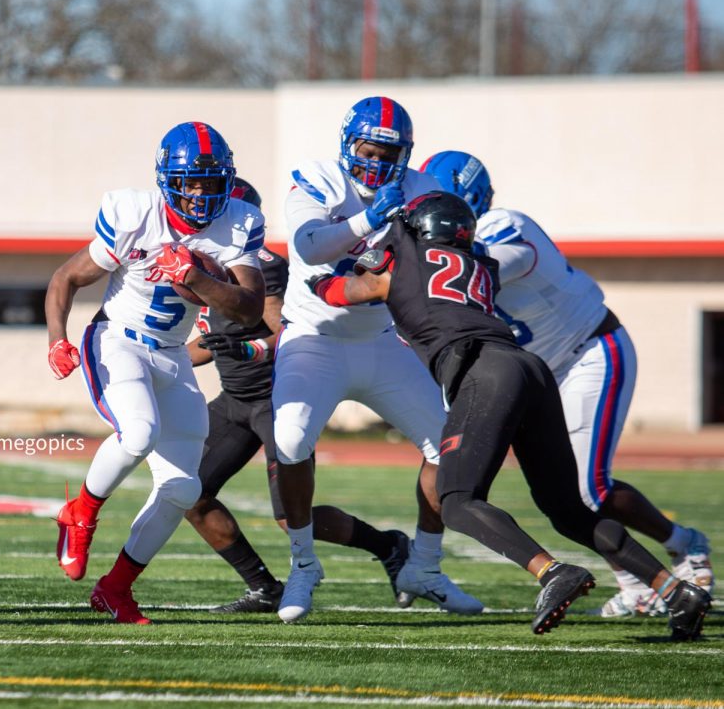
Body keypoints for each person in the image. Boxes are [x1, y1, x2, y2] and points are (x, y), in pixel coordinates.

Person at [307, 190, 712, 639]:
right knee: (569, 511)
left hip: (486, 371)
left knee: (457, 500)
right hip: (528, 368)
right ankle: (676, 591)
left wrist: (318, 277)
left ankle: (551, 572)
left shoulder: (399, 263)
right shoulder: (482, 267)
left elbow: (340, 292)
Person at [420, 151, 715, 617]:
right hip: (540, 370)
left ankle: (684, 545)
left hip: (590, 351)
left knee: (587, 489)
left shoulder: (504, 226)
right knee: (564, 498)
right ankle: (643, 582)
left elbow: (483, 265)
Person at [272, 95, 483, 623]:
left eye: (389, 152)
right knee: (291, 440)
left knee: (447, 446)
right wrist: (369, 217)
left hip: (381, 338)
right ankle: (303, 564)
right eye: (368, 149)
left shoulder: (421, 190)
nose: (376, 161)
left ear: (407, 153)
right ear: (348, 144)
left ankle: (425, 567)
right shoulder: (319, 181)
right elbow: (308, 247)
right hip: (314, 336)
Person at [46, 121, 266, 624]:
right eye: (188, 181)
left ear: (226, 181)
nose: (198, 193)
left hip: (171, 354)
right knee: (139, 430)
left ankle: (116, 588)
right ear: (168, 179)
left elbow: (250, 309)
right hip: (117, 339)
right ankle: (79, 510)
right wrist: (56, 337)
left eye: (209, 182)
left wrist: (194, 276)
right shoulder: (133, 213)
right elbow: (66, 277)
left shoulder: (239, 220)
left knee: (185, 488)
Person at [184, 178, 411, 613]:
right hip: (235, 399)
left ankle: (388, 545)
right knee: (188, 491)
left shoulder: (262, 264)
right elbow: (211, 341)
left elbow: (280, 327)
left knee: (291, 514)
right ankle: (263, 587)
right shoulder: (208, 261)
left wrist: (246, 345)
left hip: (276, 399)